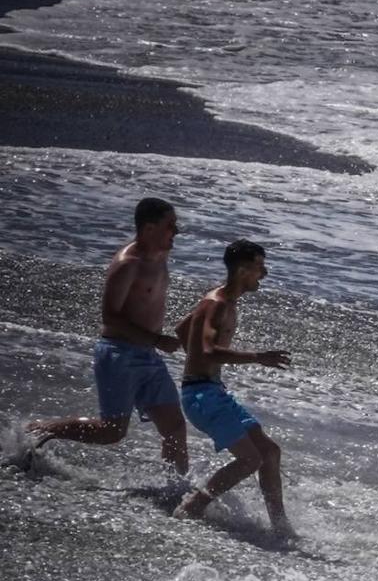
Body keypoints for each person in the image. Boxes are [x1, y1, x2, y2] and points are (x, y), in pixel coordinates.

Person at [26, 197, 188, 474]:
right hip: (119, 354)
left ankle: (175, 491)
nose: (177, 231)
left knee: (174, 427)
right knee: (111, 431)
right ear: (149, 228)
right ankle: (37, 430)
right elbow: (110, 317)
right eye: (170, 225)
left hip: (149, 355)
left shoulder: (160, 256)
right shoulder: (128, 263)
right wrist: (158, 340)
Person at [171, 239, 295, 541]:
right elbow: (209, 350)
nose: (263, 274)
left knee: (269, 452)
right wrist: (257, 357)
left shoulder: (215, 298)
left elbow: (181, 330)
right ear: (242, 270)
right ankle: (193, 506)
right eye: (259, 267)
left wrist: (197, 364)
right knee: (251, 459)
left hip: (209, 390)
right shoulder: (219, 304)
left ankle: (280, 526)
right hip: (202, 396)